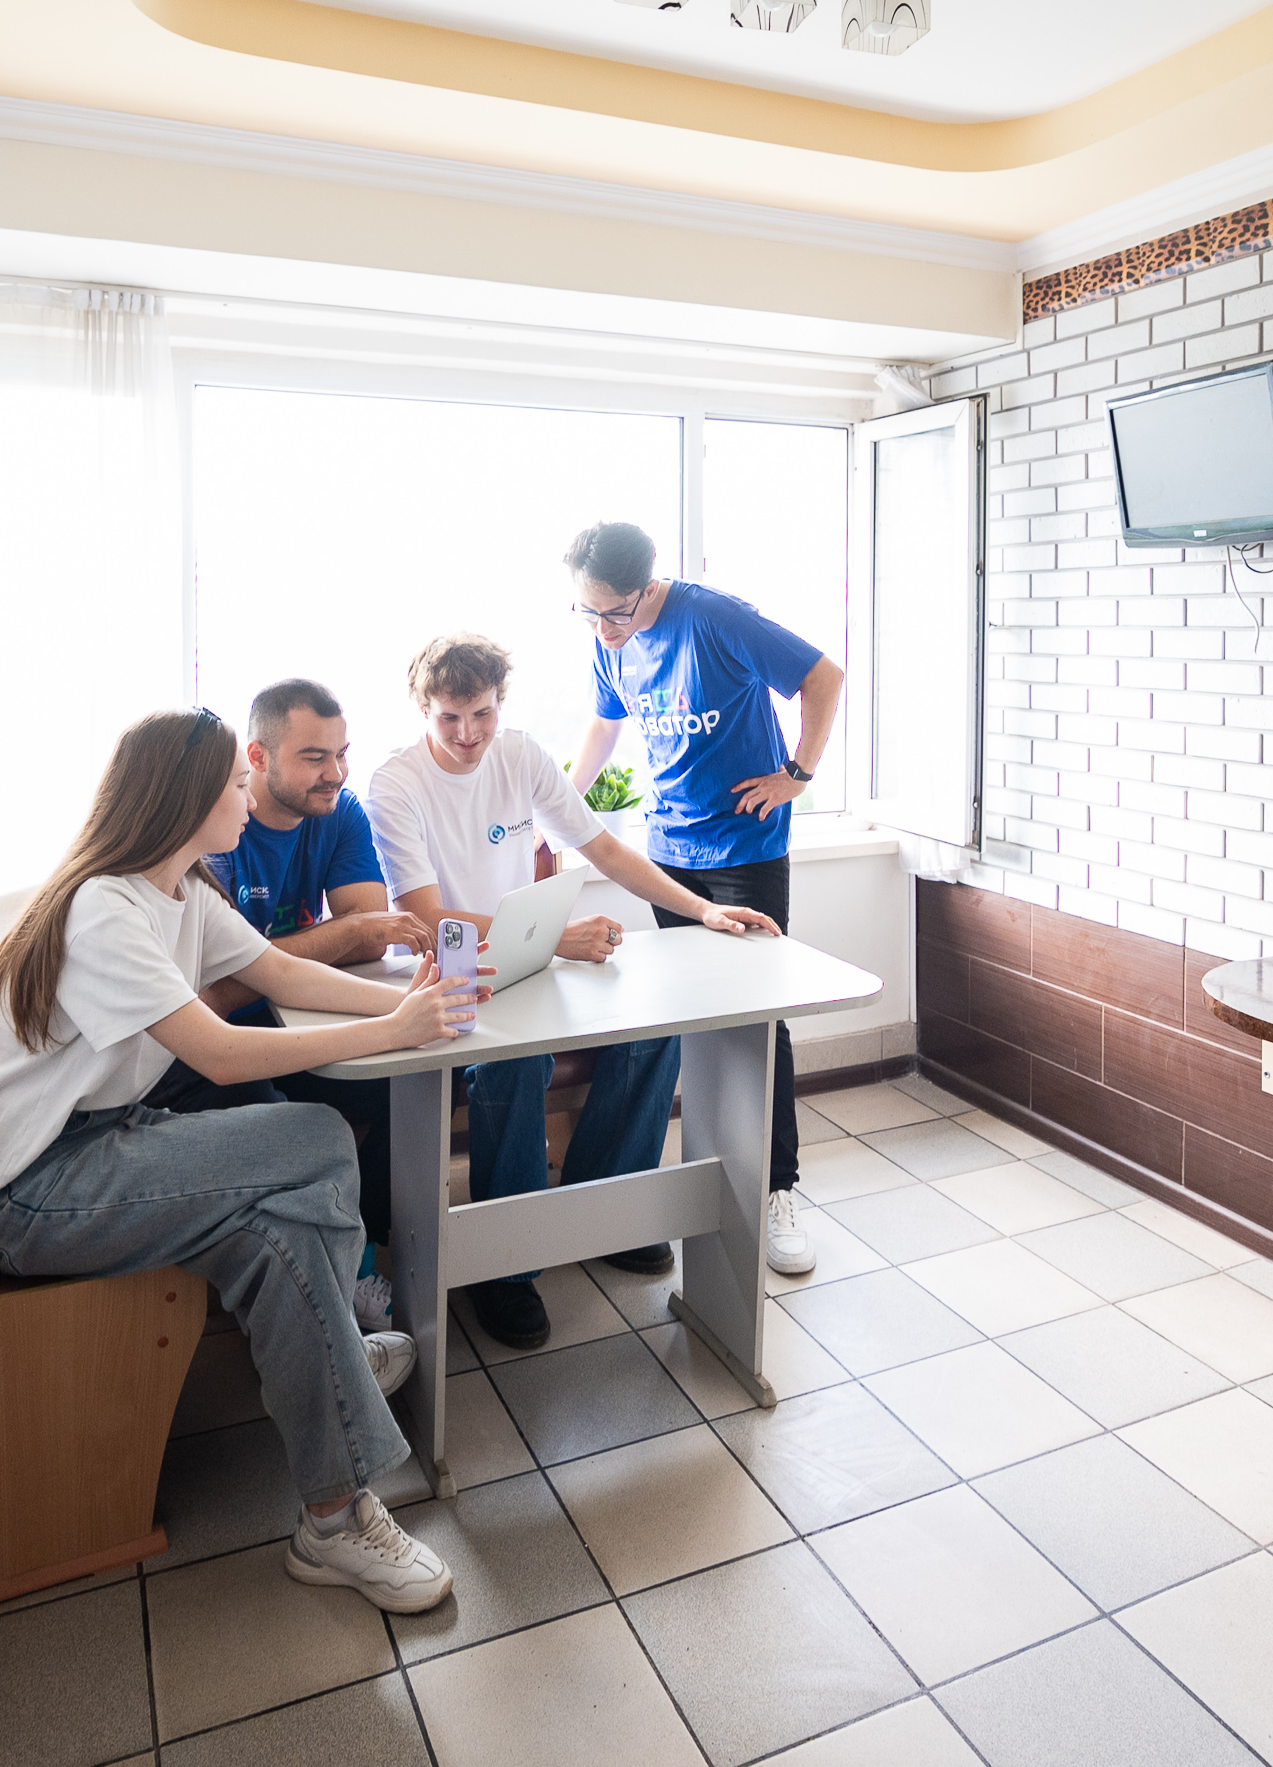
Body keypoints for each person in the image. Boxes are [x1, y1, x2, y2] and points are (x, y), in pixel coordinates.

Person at [0, 706, 480, 1612]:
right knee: (318, 1138)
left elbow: (280, 973)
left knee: (280, 1240)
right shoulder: (105, 909)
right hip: (31, 1194)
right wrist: (392, 1029)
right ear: (188, 798)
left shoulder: (182, 891)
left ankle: (332, 1522)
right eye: (235, 782)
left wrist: (407, 1004)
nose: (247, 795)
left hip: (105, 1145)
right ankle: (343, 1363)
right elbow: (219, 1055)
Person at [364, 634, 780, 1350]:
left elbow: (605, 849)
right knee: (514, 1062)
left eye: (482, 714)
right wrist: (558, 937)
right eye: (449, 719)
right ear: (422, 710)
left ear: (500, 703)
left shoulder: (521, 755)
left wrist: (702, 910)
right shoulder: (395, 783)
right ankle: (507, 1266)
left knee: (654, 1027)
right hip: (451, 977)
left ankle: (605, 1212)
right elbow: (427, 918)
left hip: (527, 964)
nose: (468, 735)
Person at [560, 522, 844, 1277]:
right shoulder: (608, 638)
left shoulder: (714, 617)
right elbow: (604, 726)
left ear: (647, 584)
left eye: (615, 612)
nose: (603, 629)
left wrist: (797, 775)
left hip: (746, 848)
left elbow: (824, 676)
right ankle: (688, 1180)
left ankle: (777, 1189)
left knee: (758, 1021)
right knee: (682, 1018)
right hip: (668, 855)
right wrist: (558, 809)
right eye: (588, 612)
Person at [144, 679, 427, 1271]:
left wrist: (406, 1006)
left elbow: (352, 938)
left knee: (418, 1086)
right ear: (257, 759)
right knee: (296, 1128)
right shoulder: (212, 839)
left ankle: (365, 1248)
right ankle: (339, 1266)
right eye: (315, 757)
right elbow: (214, 999)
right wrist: (345, 939)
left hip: (291, 1023)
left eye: (342, 754)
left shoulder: (338, 811)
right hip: (207, 1052)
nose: (337, 774)